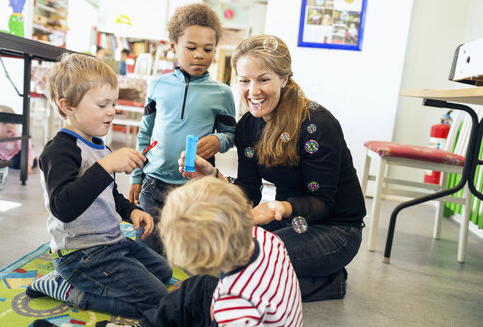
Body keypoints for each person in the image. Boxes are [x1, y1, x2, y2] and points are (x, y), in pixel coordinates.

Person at [179, 34, 366, 302]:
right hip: (290, 222)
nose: (252, 91)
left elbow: (324, 202)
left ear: (284, 78)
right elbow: (249, 192)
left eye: (263, 79)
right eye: (244, 81)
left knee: (238, 268)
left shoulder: (317, 124)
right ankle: (315, 279)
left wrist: (281, 208)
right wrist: (213, 176)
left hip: (336, 230)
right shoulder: (247, 126)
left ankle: (329, 283)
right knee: (209, 253)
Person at [25, 53, 172, 320]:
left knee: (163, 272)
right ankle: (69, 289)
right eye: (103, 104)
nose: (112, 111)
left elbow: (109, 195)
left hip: (111, 243)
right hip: (81, 255)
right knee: (158, 300)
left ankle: (86, 283)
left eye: (113, 103)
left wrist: (132, 212)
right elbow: (64, 207)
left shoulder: (99, 145)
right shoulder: (58, 151)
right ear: (68, 106)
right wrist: (106, 167)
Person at [96, 176, 303, 327]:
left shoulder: (235, 309)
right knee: (200, 286)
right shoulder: (266, 238)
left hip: (244, 311)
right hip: (256, 306)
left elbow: (239, 305)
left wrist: (226, 307)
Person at [129, 3, 236, 254]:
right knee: (148, 252)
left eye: (207, 49)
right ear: (173, 46)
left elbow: (231, 135)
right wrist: (136, 176)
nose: (199, 55)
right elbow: (145, 132)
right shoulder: (157, 85)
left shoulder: (222, 93)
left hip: (194, 189)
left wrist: (219, 141)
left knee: (190, 255)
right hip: (152, 183)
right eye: (191, 47)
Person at [0, 105, 37, 174]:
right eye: (4, 123)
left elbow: (28, 150)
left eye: (12, 122)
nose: (9, 125)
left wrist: (28, 166)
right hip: (0, 154)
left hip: (16, 154)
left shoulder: (18, 136)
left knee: (17, 164)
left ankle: (35, 160)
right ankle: (6, 163)